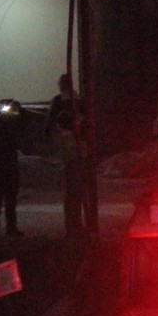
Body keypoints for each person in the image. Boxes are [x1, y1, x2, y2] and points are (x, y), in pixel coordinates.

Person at [47, 74, 92, 237]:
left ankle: (73, 226)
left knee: (72, 192)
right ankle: (76, 225)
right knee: (77, 191)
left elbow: (50, 125)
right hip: (78, 153)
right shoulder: (78, 101)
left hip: (71, 154)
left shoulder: (61, 102)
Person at [0, 99, 24, 237]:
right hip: (5, 167)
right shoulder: (0, 127)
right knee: (7, 199)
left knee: (0, 200)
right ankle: (6, 228)